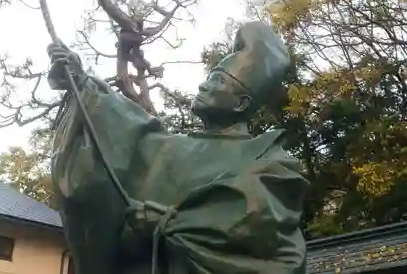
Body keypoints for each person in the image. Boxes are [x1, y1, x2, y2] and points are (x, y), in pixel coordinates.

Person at [48, 21, 308, 274]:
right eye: (209, 78)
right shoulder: (165, 147)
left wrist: (169, 225)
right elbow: (121, 127)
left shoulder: (269, 163)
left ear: (241, 103)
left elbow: (255, 228)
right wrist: (81, 82)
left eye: (217, 82)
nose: (203, 85)